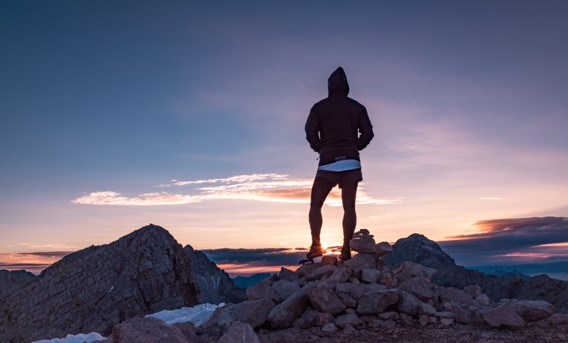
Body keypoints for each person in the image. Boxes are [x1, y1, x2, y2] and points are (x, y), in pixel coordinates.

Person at [304, 67, 374, 262]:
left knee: (315, 205)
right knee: (349, 207)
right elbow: (368, 133)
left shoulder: (319, 107)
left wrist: (321, 149)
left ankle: (316, 246)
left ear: (329, 85)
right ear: (346, 86)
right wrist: (355, 147)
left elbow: (310, 132)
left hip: (327, 163)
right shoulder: (357, 107)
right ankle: (345, 249)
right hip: (351, 162)